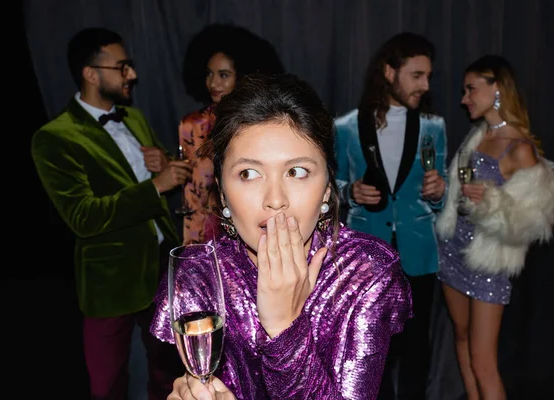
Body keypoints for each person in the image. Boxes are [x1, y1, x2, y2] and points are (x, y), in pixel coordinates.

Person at [150, 73, 413, 400]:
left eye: (297, 172)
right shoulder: (198, 276)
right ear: (222, 192)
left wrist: (285, 328)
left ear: (328, 187)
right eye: (249, 174)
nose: (275, 198)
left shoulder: (365, 273)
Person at [30, 27, 188, 400]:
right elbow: (83, 216)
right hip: (110, 280)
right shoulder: (55, 137)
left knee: (168, 376)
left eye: (129, 66)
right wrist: (156, 186)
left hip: (160, 267)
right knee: (108, 385)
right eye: (122, 67)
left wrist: (161, 164)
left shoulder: (133, 117)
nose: (132, 74)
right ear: (90, 73)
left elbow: (151, 177)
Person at [435, 55, 554, 399]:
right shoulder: (476, 137)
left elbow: (530, 222)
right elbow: (460, 196)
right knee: (461, 340)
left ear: (497, 89)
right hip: (453, 251)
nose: (464, 98)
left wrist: (492, 200)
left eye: (471, 89)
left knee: (484, 361)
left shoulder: (520, 148)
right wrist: (443, 191)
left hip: (489, 261)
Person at [334, 32, 447, 399]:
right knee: (370, 350)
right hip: (366, 257)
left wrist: (439, 193)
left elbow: (441, 196)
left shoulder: (434, 127)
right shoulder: (347, 127)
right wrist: (349, 193)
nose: (425, 85)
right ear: (388, 72)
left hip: (419, 254)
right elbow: (328, 187)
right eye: (417, 75)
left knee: (417, 347)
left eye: (428, 76)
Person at [177, 23, 284, 244]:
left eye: (223, 75)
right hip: (199, 236)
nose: (213, 83)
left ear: (244, 76)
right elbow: (192, 191)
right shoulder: (192, 125)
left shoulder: (260, 125)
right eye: (209, 74)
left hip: (248, 233)